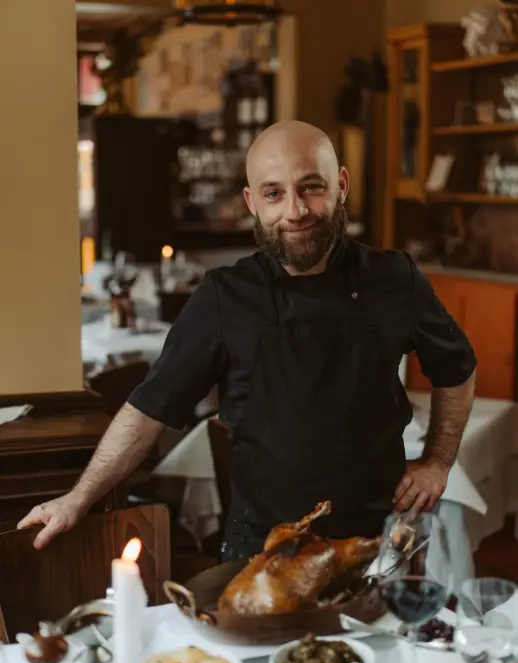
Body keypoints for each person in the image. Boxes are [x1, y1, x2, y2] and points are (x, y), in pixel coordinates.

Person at [18, 120, 476, 560]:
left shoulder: (394, 278)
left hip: (380, 537)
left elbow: (456, 368)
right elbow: (149, 409)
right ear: (251, 202)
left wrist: (437, 460)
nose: (294, 211)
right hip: (262, 549)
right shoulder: (224, 296)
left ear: (341, 185)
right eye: (274, 193)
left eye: (311, 187)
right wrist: (76, 499)